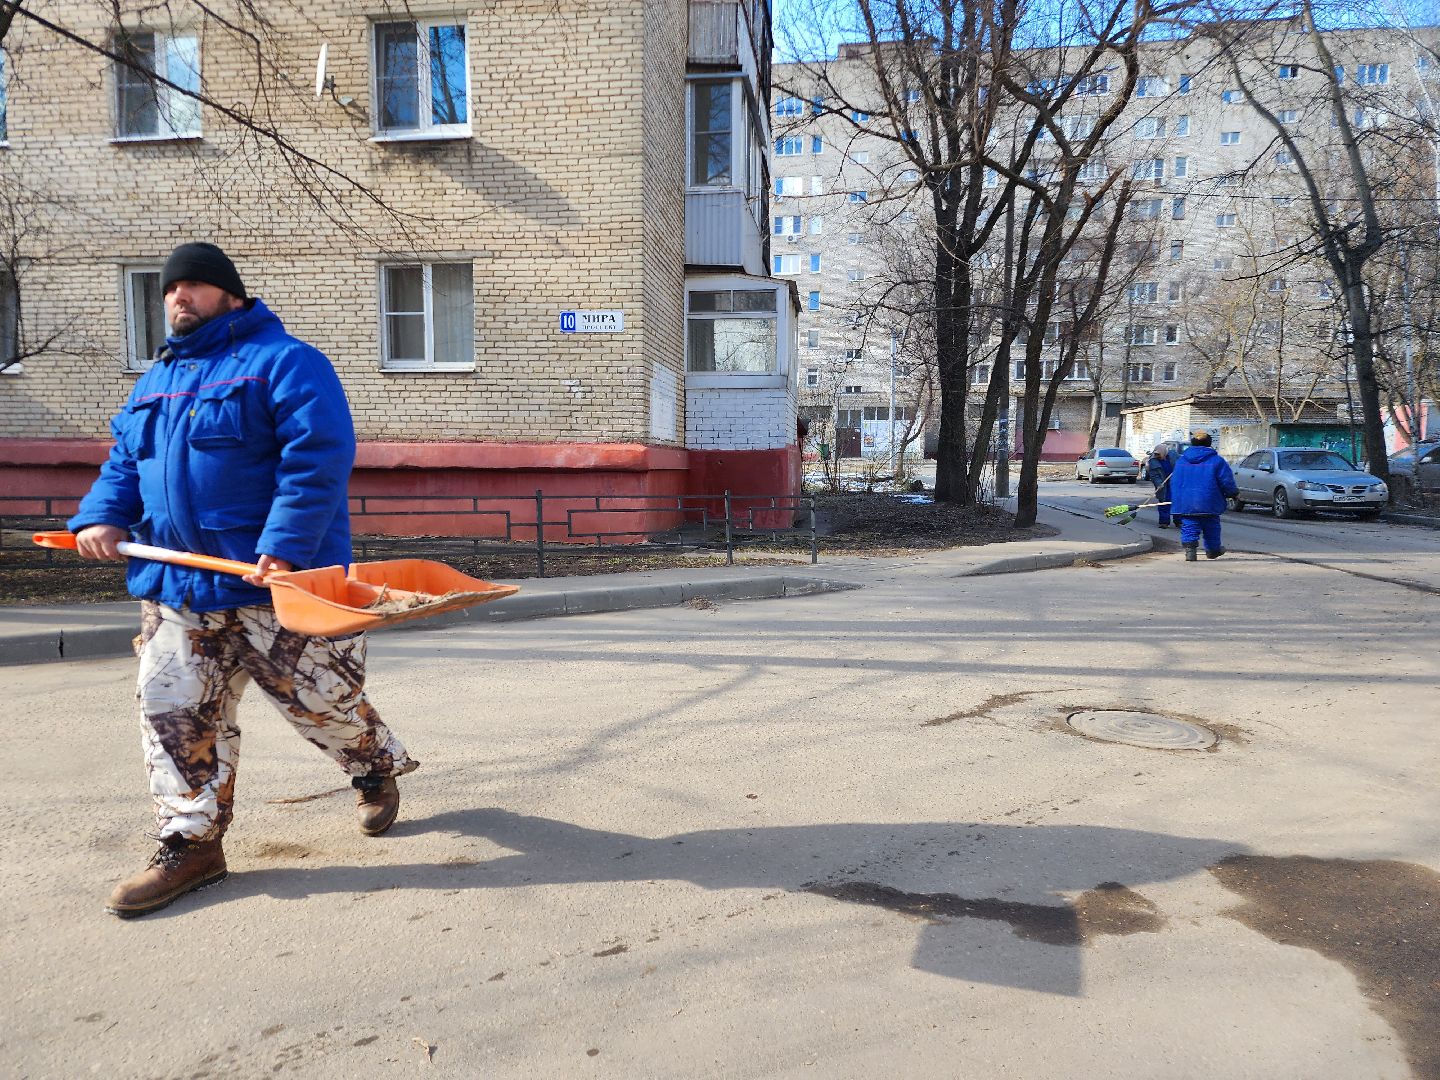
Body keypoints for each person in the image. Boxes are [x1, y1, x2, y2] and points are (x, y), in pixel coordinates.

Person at [69, 242, 418, 918]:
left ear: (231, 294)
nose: (178, 297)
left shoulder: (285, 363)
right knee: (173, 716)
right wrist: (102, 517)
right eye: (170, 289)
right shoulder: (153, 383)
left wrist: (285, 548)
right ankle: (191, 841)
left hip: (277, 588)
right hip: (180, 591)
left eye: (195, 285)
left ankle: (372, 765)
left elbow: (317, 456)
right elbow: (123, 464)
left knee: (325, 706)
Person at [1168, 430, 1239, 561]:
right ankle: (1213, 550)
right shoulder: (1217, 461)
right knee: (1211, 526)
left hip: (1186, 501)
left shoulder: (1182, 461)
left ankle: (1190, 552)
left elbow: (1175, 482)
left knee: (1189, 525)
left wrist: (1176, 498)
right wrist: (1232, 493)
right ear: (1209, 443)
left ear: (1192, 443)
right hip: (1209, 500)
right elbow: (1226, 480)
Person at [1143, 444, 1175, 528]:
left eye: (1159, 454)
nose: (1157, 456)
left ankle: (1179, 521)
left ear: (1164, 452)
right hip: (1163, 484)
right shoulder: (1153, 461)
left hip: (1175, 482)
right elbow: (1154, 475)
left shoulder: (1173, 456)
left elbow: (1181, 463)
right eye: (1156, 454)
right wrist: (1158, 483)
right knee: (1164, 502)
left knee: (1177, 502)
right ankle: (1164, 522)